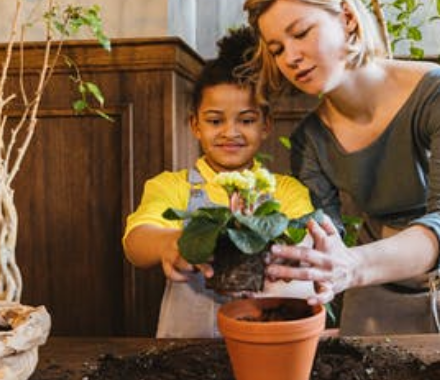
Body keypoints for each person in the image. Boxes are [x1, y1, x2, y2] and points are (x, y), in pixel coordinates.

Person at [242, 0, 440, 335]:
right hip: (375, 274)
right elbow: (326, 237)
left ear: (347, 18)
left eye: (301, 33)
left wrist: (353, 266)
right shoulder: (310, 140)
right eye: (277, 49)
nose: (290, 57)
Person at [122, 26, 314, 338]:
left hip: (267, 336)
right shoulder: (173, 186)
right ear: (195, 125)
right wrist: (171, 244)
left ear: (266, 125)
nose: (230, 132)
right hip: (189, 343)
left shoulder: (286, 190)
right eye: (214, 121)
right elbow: (136, 242)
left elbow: (303, 240)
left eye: (247, 120)